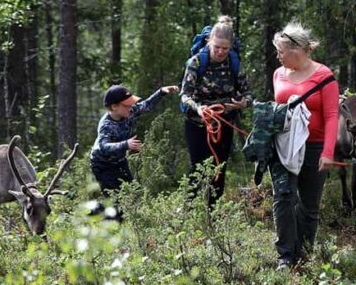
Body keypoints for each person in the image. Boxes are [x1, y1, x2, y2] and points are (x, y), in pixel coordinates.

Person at [271, 22, 340, 269]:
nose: (278, 57)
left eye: (280, 51)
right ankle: (285, 256)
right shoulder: (278, 74)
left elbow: (333, 115)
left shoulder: (324, 76)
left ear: (296, 50)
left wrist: (328, 152)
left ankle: (304, 254)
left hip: (314, 146)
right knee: (283, 197)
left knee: (309, 205)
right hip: (284, 145)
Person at [180, 15, 251, 207]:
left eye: (225, 48)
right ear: (209, 41)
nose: (220, 52)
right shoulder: (196, 62)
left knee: (220, 167)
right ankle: (189, 210)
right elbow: (185, 95)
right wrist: (199, 108)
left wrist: (242, 103)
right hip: (197, 122)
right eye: (217, 47)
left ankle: (214, 212)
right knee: (198, 166)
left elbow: (249, 95)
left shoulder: (234, 64)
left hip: (224, 122)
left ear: (231, 47)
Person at [90, 83, 179, 219]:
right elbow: (104, 146)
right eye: (127, 105)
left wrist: (161, 92)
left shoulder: (129, 112)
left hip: (119, 161)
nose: (132, 107)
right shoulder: (106, 125)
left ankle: (98, 211)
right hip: (102, 165)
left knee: (132, 193)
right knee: (117, 203)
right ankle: (102, 221)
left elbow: (146, 105)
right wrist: (126, 144)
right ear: (114, 107)